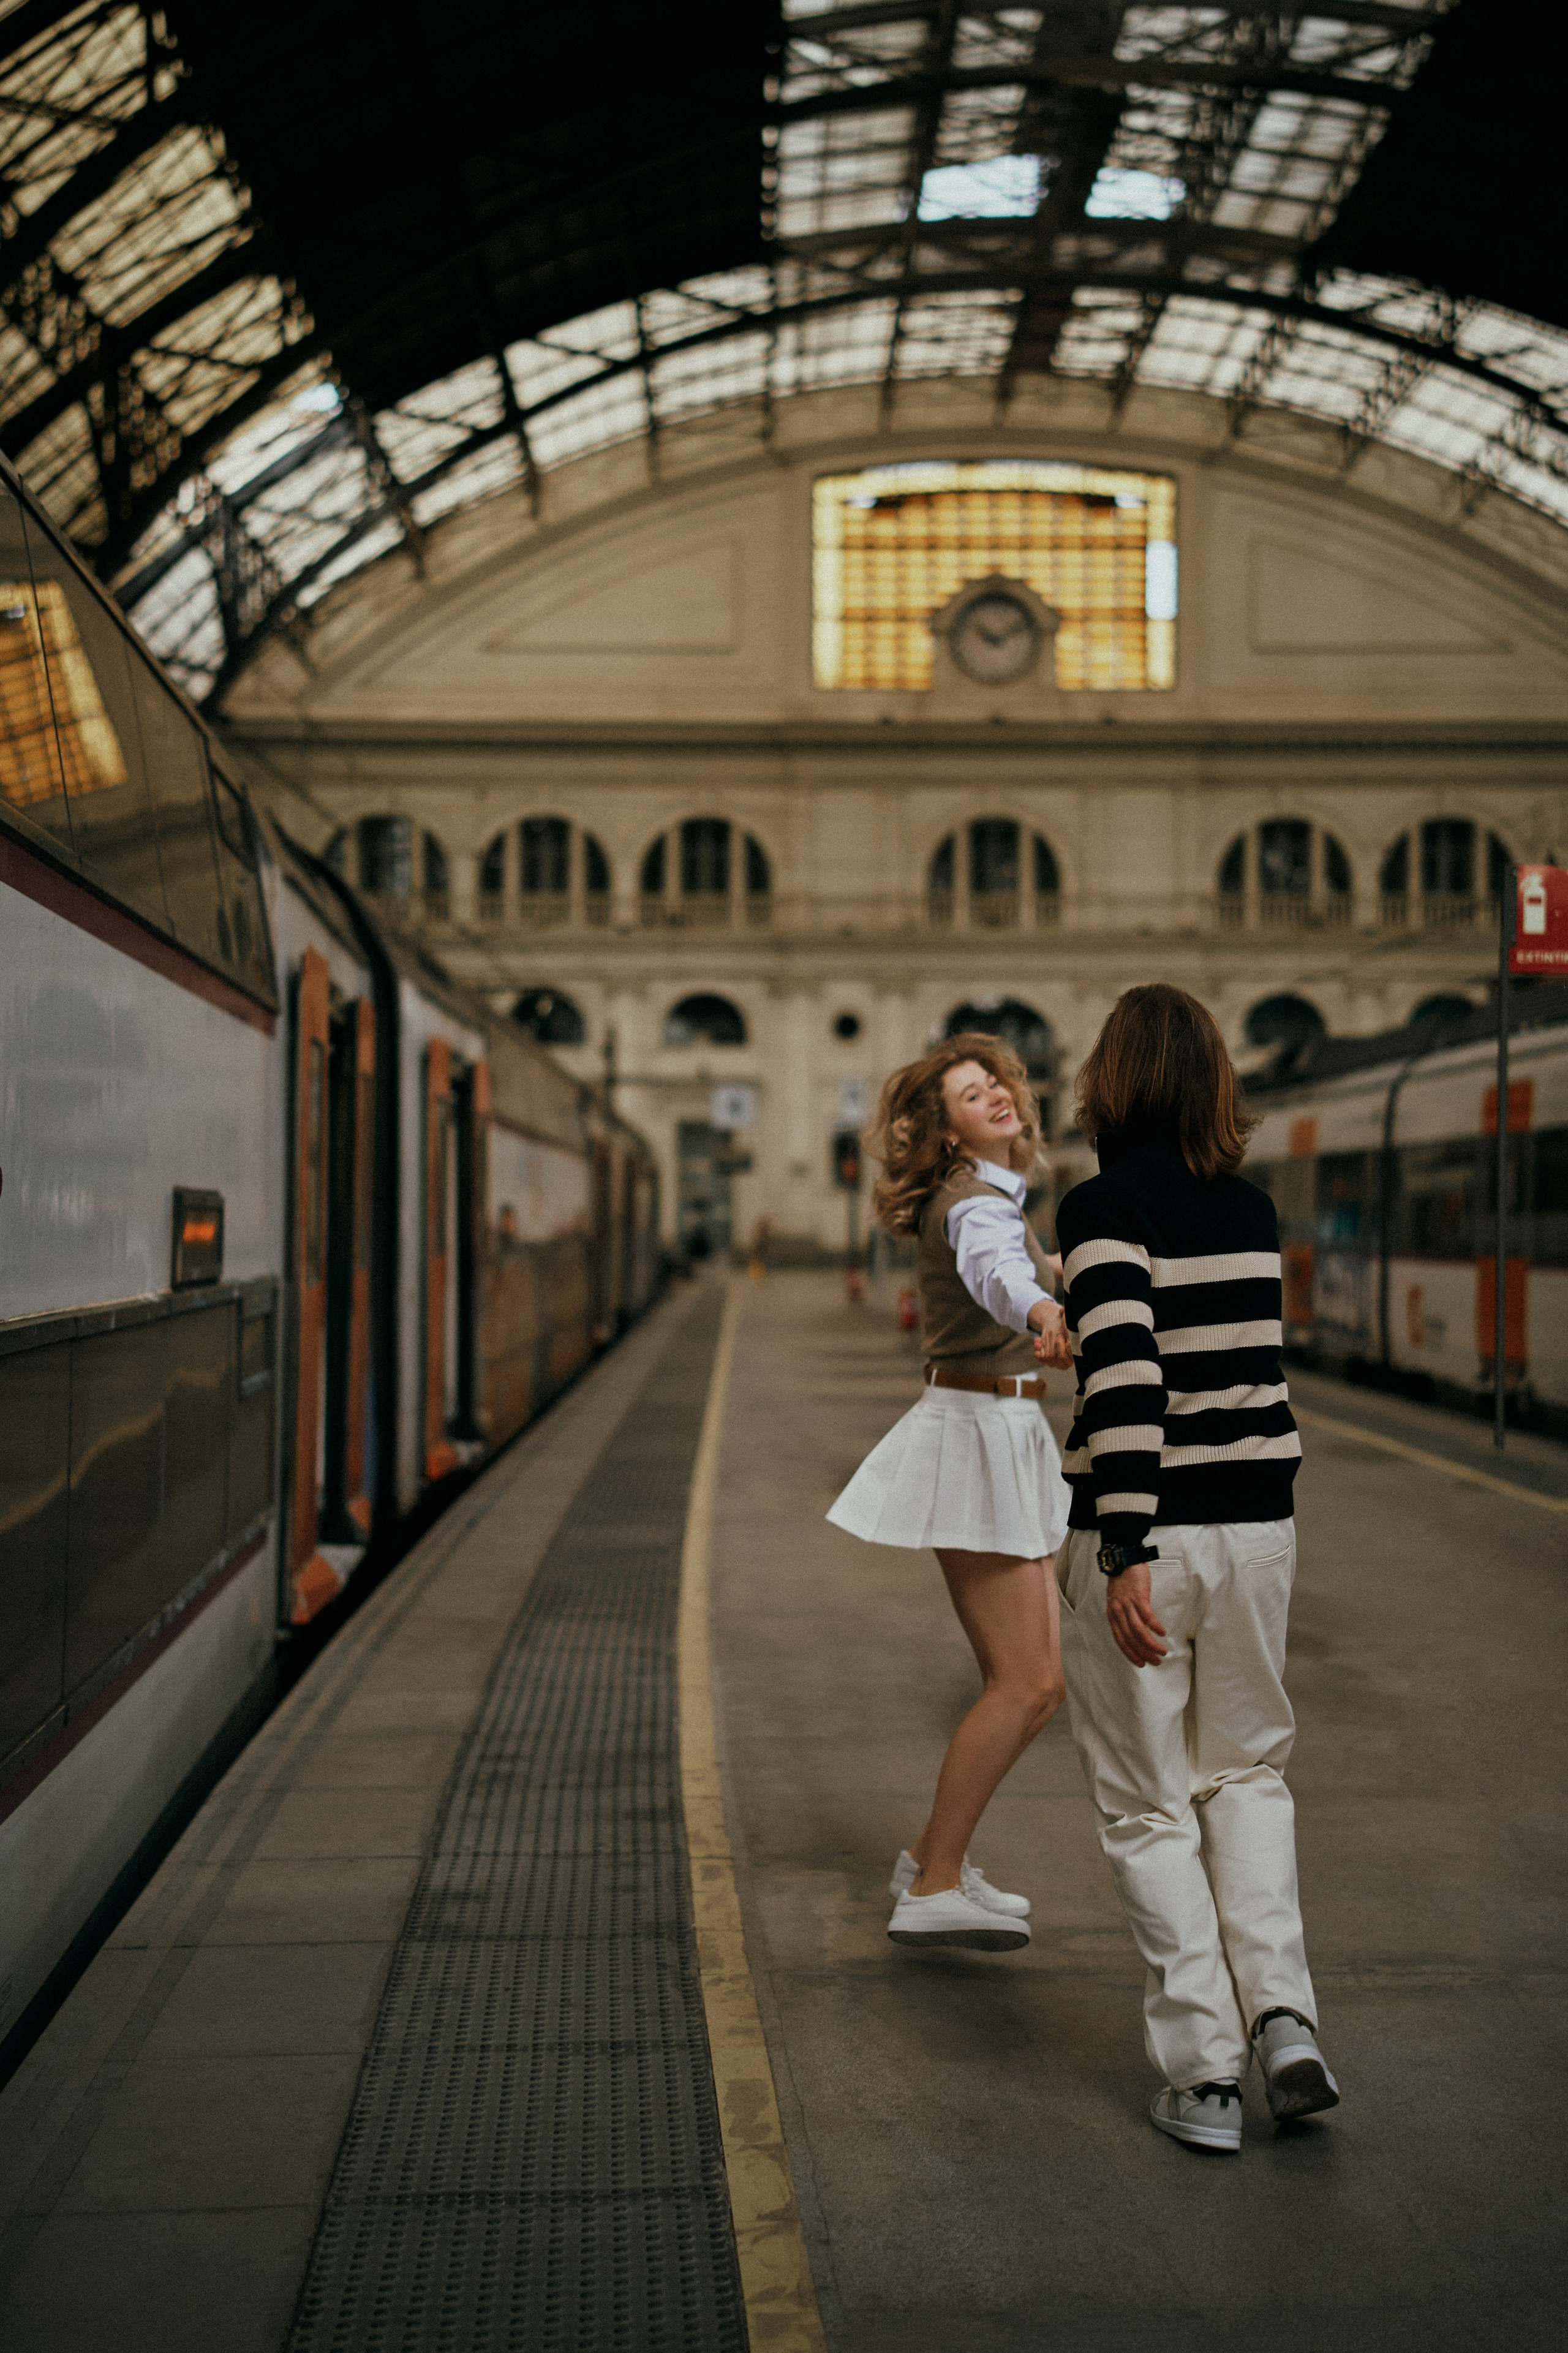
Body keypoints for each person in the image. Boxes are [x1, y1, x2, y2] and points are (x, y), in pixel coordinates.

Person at [1051, 984, 1339, 2152]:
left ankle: (1207, 2074)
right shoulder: (1254, 1207)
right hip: (1260, 1527)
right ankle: (1285, 2016)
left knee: (1146, 1803)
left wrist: (1125, 1544)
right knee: (1247, 1776)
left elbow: (1125, 1382)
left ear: (1110, 1079)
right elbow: (1246, 1372)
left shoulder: (1102, 1206)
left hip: (1152, 1533)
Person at [827, 1034, 1074, 1951]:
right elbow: (998, 1279)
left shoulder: (997, 1199)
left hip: (993, 1428)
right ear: (948, 1134)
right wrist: (1044, 1308)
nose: (998, 1098)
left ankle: (932, 1857)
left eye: (997, 1082)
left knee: (1027, 1681)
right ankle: (933, 1886)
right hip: (981, 1433)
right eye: (973, 1097)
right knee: (1030, 1681)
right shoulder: (977, 1208)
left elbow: (1020, 1269)